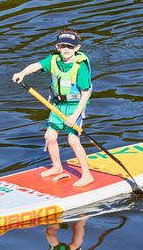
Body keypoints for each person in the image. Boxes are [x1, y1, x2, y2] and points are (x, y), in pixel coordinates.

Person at [12, 29, 94, 187]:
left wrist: (73, 116)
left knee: (73, 140)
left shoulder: (80, 66)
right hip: (57, 104)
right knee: (50, 137)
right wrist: (22, 73)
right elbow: (36, 65)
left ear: (77, 48)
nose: (66, 49)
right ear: (57, 47)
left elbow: (86, 94)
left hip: (75, 106)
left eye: (70, 47)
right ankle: (57, 167)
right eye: (62, 46)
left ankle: (87, 175)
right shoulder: (53, 60)